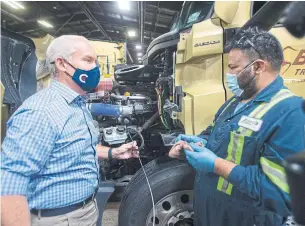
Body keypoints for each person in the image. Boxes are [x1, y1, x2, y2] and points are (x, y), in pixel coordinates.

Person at [169, 27, 305, 226]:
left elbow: (277, 190)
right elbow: (215, 135)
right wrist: (197, 143)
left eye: (233, 67)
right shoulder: (235, 102)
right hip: (210, 211)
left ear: (258, 67)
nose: (228, 74)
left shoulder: (291, 113)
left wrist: (215, 164)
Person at [1, 35, 139, 226]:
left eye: (96, 62)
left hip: (85, 211)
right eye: (87, 60)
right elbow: (11, 183)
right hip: (58, 219)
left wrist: (112, 152)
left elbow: (74, 147)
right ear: (62, 64)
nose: (95, 68)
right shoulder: (41, 111)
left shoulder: (76, 104)